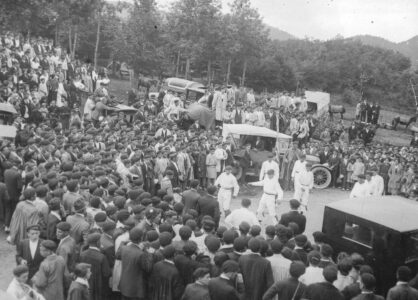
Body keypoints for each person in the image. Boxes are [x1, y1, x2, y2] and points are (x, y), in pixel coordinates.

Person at [118, 227, 154, 300]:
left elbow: (117, 256)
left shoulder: (123, 248)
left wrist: (123, 243)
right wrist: (149, 253)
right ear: (141, 238)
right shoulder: (141, 254)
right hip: (136, 289)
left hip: (124, 285)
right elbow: (148, 268)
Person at [79, 233, 112, 300]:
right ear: (98, 242)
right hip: (99, 285)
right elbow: (107, 273)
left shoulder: (82, 254)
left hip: (86, 283)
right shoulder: (102, 257)